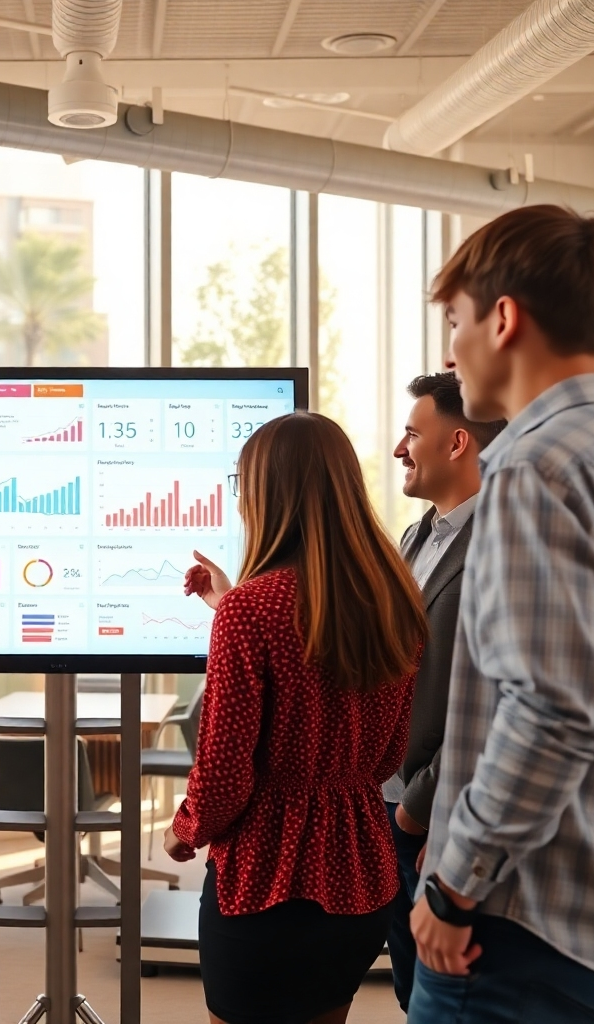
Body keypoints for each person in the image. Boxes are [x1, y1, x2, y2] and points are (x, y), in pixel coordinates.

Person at [409, 205, 594, 1024]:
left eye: (455, 320)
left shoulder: (532, 466)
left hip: (514, 929)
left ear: (502, 318)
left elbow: (553, 710)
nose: (452, 347)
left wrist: (454, 885)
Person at [164, 412, 426, 1024]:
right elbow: (389, 753)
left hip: (263, 879)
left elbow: (225, 773)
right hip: (360, 871)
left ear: (265, 493)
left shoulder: (252, 611)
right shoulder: (393, 598)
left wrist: (186, 826)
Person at [382, 372, 505, 1012]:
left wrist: (426, 805)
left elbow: (492, 696)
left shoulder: (501, 544)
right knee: (411, 991)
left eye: (411, 434)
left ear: (457, 443)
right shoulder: (416, 538)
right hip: (392, 804)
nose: (400, 450)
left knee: (448, 996)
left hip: (433, 812)